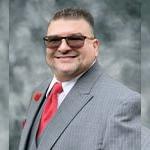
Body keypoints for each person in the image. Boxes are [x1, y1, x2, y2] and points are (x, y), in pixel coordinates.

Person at [19, 7, 140, 150]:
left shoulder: (122, 104)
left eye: (75, 39)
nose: (63, 48)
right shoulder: (39, 93)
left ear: (95, 47)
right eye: (54, 40)